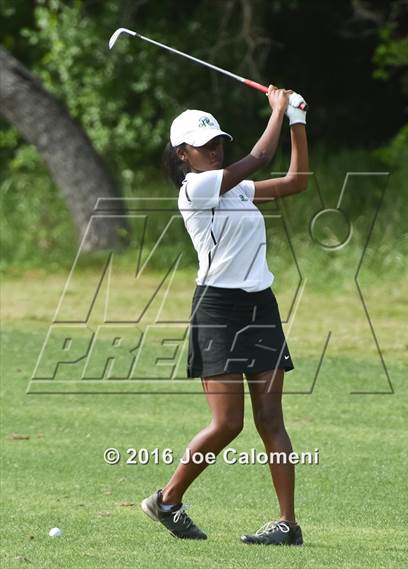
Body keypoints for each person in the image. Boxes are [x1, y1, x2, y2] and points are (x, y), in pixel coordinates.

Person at [142, 85, 309, 545]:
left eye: (217, 144)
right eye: (204, 147)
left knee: (272, 420)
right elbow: (258, 156)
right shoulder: (195, 189)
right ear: (183, 155)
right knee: (228, 423)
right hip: (217, 309)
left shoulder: (237, 191)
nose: (214, 151)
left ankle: (288, 525)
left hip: (260, 305)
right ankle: (167, 500)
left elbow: (296, 183)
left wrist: (297, 122)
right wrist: (276, 110)